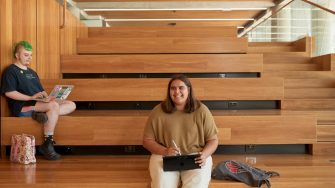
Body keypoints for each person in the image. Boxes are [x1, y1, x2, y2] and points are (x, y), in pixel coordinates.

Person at [1, 41, 76, 160]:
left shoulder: (32, 72)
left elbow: (41, 91)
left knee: (71, 104)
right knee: (53, 107)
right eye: (26, 55)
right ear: (17, 55)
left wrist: (48, 97)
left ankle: (42, 114)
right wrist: (30, 98)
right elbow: (9, 92)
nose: (29, 58)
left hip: (39, 104)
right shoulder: (11, 70)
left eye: (30, 55)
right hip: (23, 106)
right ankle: (47, 143)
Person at [143, 74, 219, 188]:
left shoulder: (202, 110)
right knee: (162, 185)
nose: (177, 91)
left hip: (195, 157)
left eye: (181, 88)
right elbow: (147, 141)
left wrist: (204, 155)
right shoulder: (157, 111)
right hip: (165, 155)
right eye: (173, 88)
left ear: (188, 90)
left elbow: (213, 140)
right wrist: (165, 151)